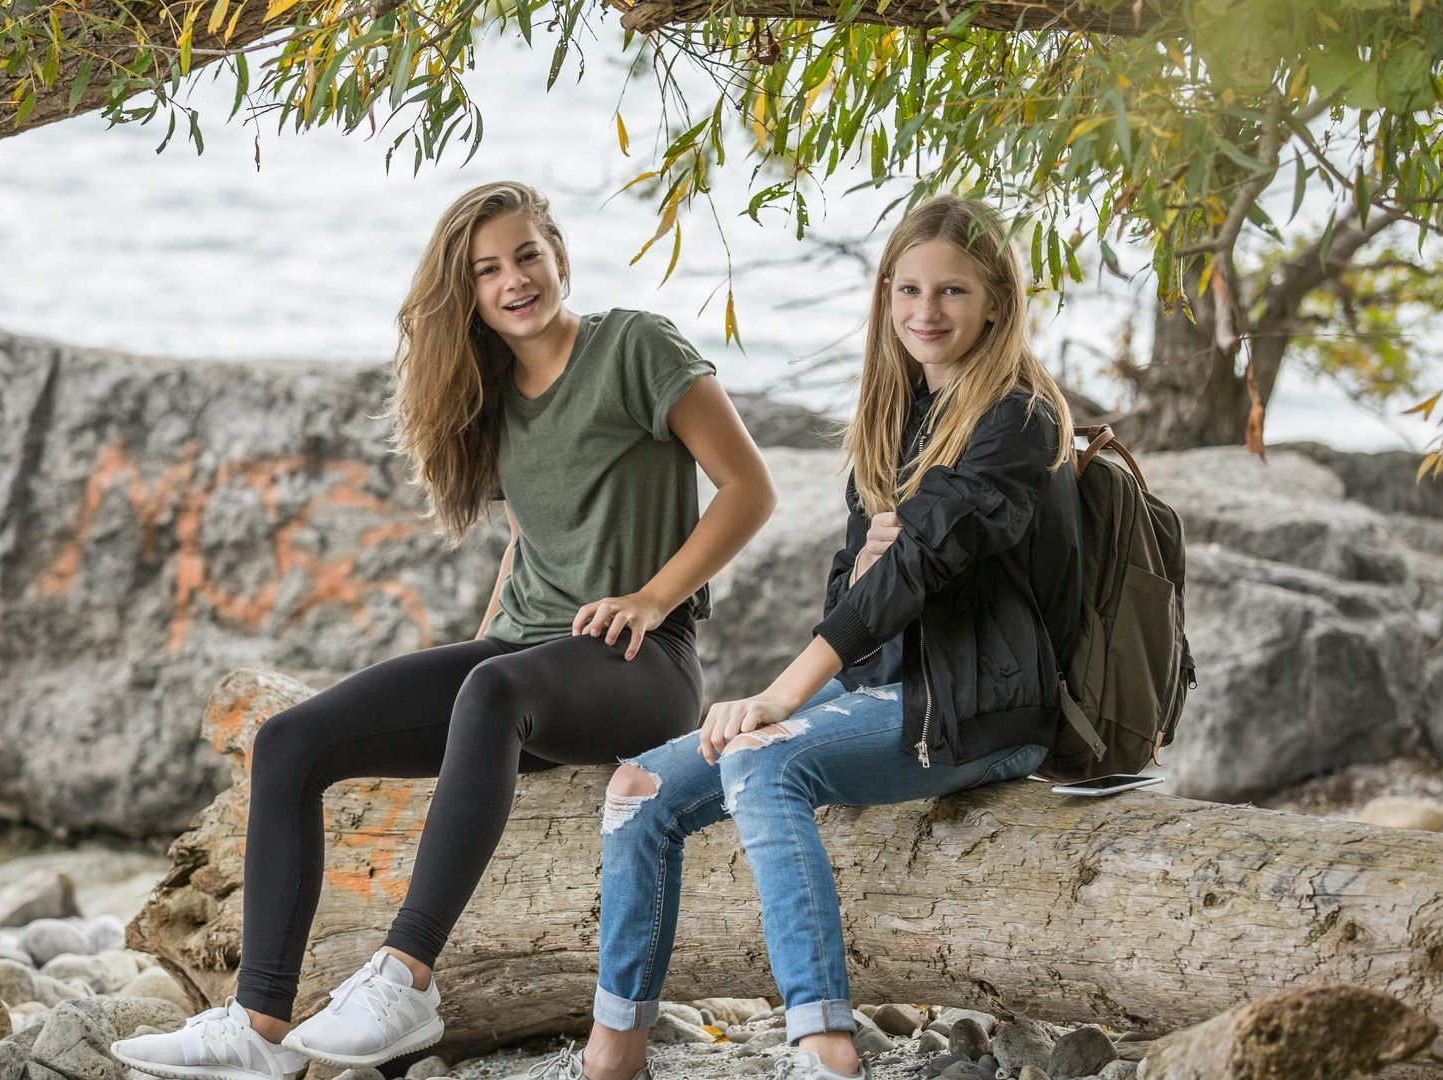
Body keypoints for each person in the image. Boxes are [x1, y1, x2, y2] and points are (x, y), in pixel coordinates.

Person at [112, 179, 778, 1080]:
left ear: (560, 257)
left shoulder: (636, 346)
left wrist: (653, 598)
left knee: (492, 686)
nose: (514, 281)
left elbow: (750, 489)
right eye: (487, 271)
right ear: (465, 293)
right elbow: (531, 537)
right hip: (521, 669)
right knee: (290, 740)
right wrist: (475, 650)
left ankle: (405, 978)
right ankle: (257, 1026)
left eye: (527, 256)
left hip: (641, 664)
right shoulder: (492, 389)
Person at [551, 195, 1082, 1080]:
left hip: (982, 706)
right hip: (884, 684)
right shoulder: (895, 412)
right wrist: (878, 558)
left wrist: (782, 692)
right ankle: (614, 1050)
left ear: (996, 299)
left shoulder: (1018, 419)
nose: (926, 311)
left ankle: (825, 1048)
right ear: (884, 295)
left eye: (952, 291)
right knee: (638, 788)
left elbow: (917, 573)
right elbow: (854, 584)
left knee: (764, 759)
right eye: (907, 288)